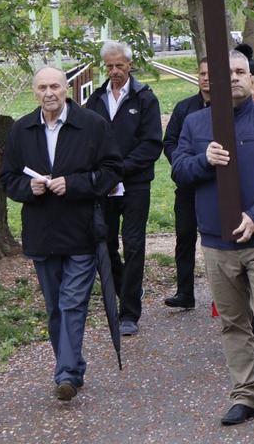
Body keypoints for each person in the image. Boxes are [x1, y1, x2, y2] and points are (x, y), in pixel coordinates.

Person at [172, 50, 254, 426]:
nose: (233, 78)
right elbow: (179, 170)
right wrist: (202, 160)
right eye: (224, 73)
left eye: (240, 72)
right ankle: (244, 394)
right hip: (217, 241)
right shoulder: (196, 124)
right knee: (233, 320)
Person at [0, 66, 122, 401]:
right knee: (55, 306)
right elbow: (8, 178)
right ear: (34, 92)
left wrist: (74, 184)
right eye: (42, 87)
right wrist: (29, 188)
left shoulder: (92, 125)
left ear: (66, 89)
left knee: (72, 303)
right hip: (41, 232)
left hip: (82, 230)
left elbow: (113, 170)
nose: (49, 93)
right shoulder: (21, 129)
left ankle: (66, 374)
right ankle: (71, 366)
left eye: (55, 86)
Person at [84, 40, 162, 337]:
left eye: (119, 65)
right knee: (105, 243)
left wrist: (122, 170)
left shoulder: (145, 99)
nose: (114, 71)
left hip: (135, 185)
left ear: (130, 64)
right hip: (103, 186)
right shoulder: (95, 99)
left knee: (134, 244)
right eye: (109, 66)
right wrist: (103, 175)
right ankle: (125, 291)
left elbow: (152, 143)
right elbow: (88, 140)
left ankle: (129, 312)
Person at [161, 57, 210, 309]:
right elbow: (169, 142)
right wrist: (182, 162)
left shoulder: (229, 107)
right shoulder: (184, 108)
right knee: (185, 236)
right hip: (188, 186)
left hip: (215, 188)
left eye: (210, 73)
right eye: (202, 73)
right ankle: (185, 292)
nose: (205, 78)